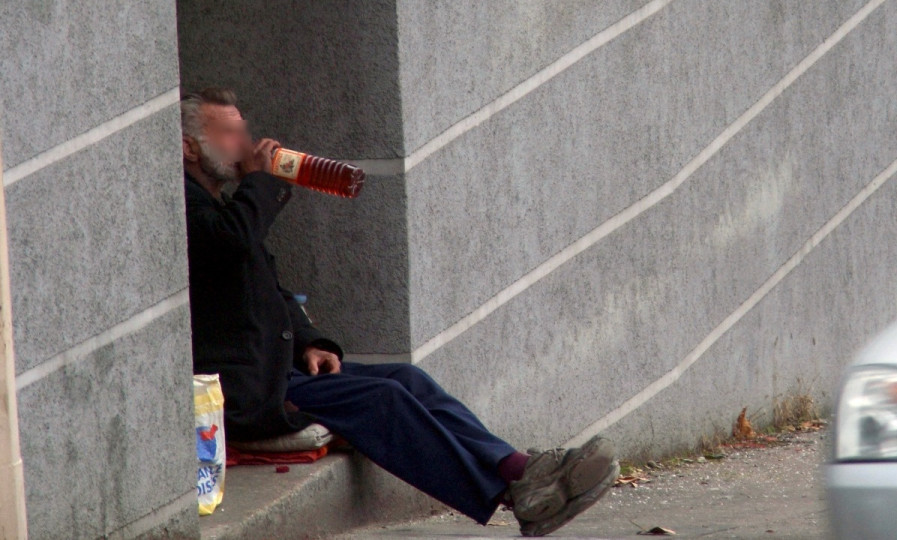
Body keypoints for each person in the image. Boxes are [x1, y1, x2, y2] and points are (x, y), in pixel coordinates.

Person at [180, 87, 618, 537]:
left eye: (241, 130)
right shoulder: (183, 209)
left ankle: (521, 469)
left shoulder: (222, 207)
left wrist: (311, 341)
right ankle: (517, 494)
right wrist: (261, 180)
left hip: (277, 371)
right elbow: (233, 242)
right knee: (383, 401)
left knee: (406, 379)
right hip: (247, 394)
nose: (245, 142)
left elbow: (269, 287)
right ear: (188, 145)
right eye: (228, 133)